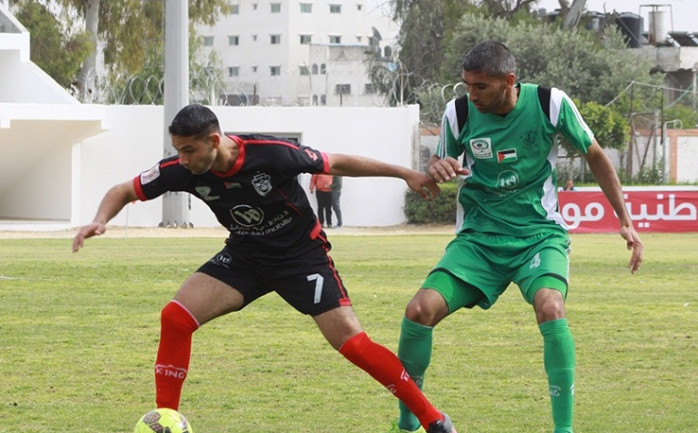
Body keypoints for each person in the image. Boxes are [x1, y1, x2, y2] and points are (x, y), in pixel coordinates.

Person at [72, 104, 457, 433]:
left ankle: (432, 420)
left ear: (214, 140)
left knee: (352, 343)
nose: (183, 159)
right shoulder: (180, 169)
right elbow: (124, 189)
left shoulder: (271, 153)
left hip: (301, 256)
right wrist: (100, 219)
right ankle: (166, 420)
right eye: (177, 150)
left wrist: (405, 173)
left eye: (189, 150)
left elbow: (336, 162)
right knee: (176, 317)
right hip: (245, 256)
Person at [391, 41, 643, 433]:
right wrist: (439, 167)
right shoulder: (458, 112)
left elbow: (594, 154)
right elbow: (439, 163)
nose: (471, 96)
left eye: (480, 87)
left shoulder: (549, 103)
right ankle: (408, 424)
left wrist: (624, 219)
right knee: (418, 311)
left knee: (551, 307)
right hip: (479, 239)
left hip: (538, 235)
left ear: (508, 81)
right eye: (466, 86)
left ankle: (564, 430)